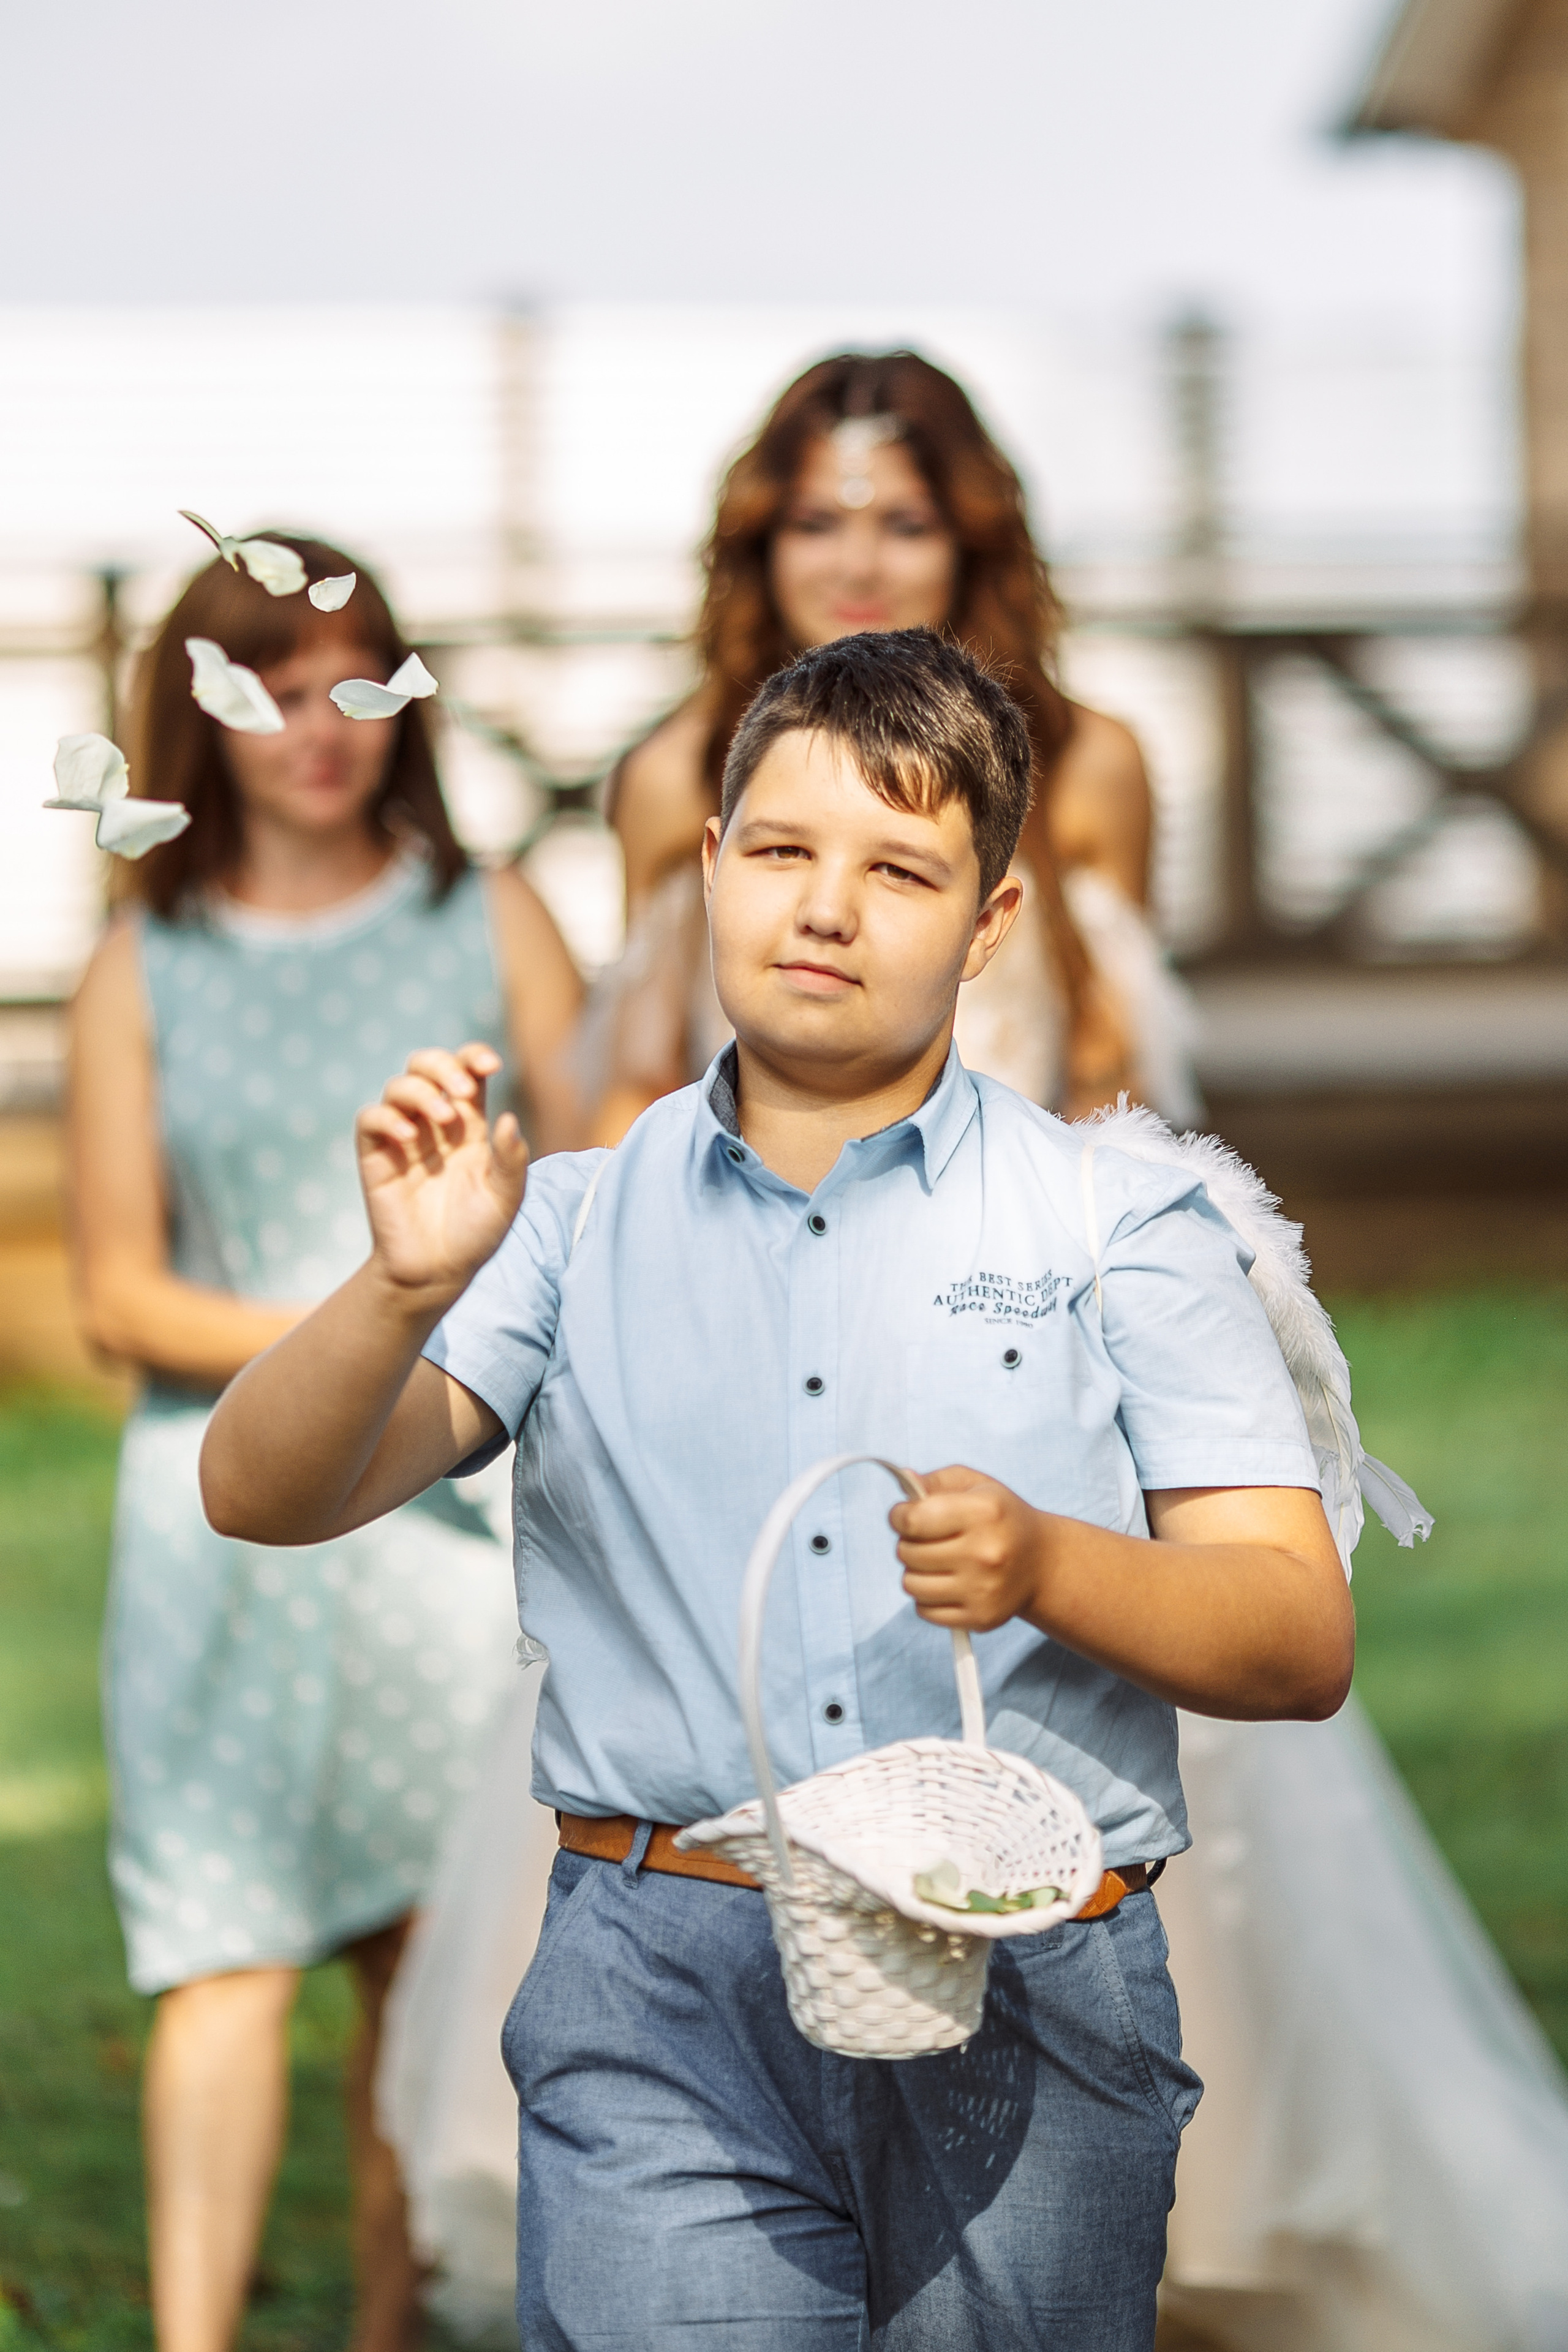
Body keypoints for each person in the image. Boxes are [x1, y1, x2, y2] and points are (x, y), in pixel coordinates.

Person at [201, 630, 1354, 2351]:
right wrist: (396, 1290)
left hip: (1030, 1988)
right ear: (708, 868)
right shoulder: (565, 1226)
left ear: (989, 925)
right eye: (782, 850)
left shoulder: (1120, 1225)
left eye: (900, 870)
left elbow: (1296, 1631)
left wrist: (1050, 1565)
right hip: (662, 1986)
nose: (828, 907)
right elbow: (261, 1491)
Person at [69, 535, 583, 2352]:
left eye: (363, 681)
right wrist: (357, 1325)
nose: (324, 727)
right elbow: (120, 1293)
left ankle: (394, 2326)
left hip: (447, 1486)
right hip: (218, 1512)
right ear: (200, 712)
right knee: (215, 1945)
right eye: (277, 687)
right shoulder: (147, 963)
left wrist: (443, 1344)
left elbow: (596, 1186)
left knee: (422, 1954)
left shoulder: (489, 914)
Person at [584, 348, 1197, 1145]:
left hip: (1016, 1236)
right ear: (763, 544)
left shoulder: (1090, 763)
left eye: (905, 526)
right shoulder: (672, 774)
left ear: (969, 543)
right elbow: (643, 1082)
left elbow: (1110, 1077)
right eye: (816, 524)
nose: (858, 566)